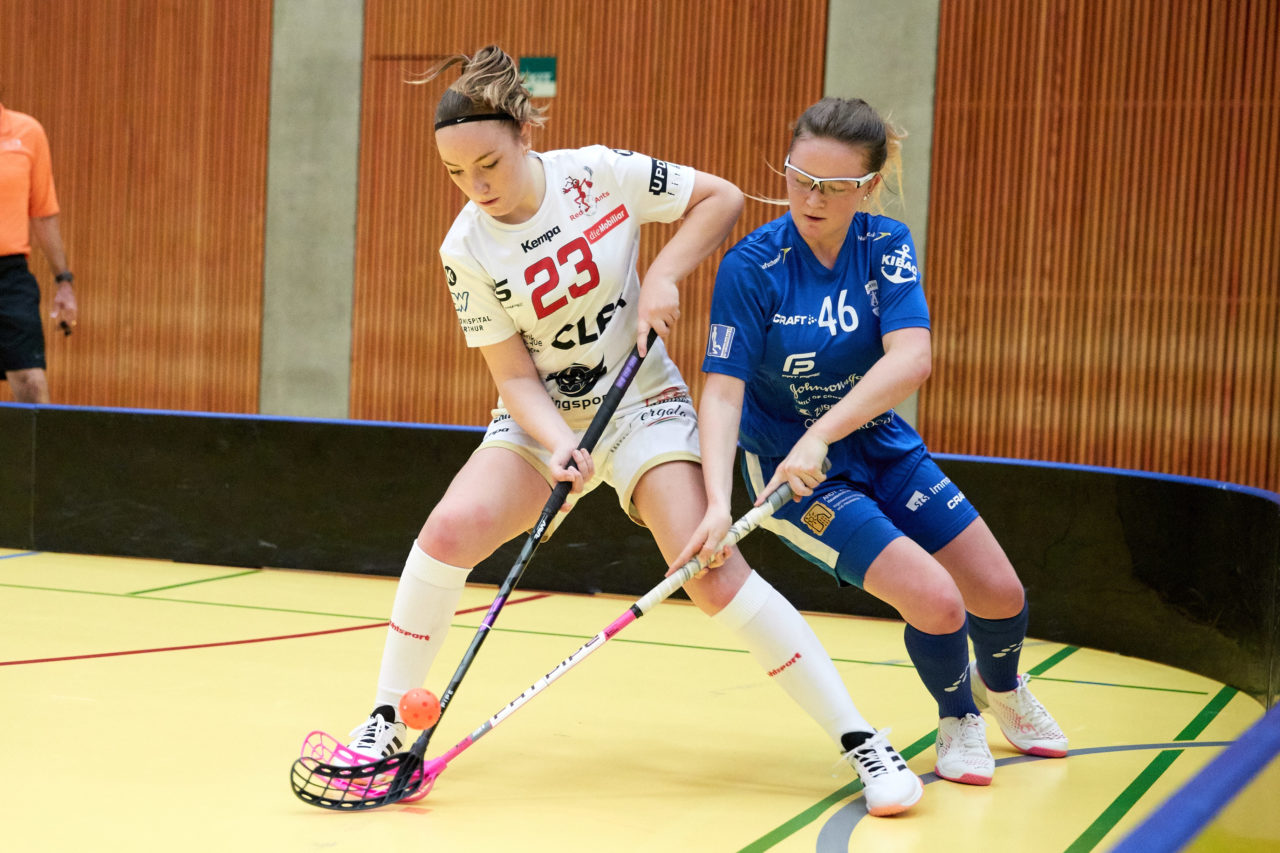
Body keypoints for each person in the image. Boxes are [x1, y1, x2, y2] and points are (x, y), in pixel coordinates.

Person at [339, 47, 921, 816]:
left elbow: (718, 198)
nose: (476, 186)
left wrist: (665, 274)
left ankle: (861, 739)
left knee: (709, 571)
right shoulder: (465, 248)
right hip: (542, 421)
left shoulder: (596, 174)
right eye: (456, 173)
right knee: (448, 529)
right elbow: (514, 377)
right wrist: (556, 442)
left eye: (489, 164)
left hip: (642, 402)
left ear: (524, 134)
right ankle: (385, 719)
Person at [677, 97, 1068, 787]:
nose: (811, 198)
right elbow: (723, 391)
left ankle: (1003, 689)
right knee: (938, 600)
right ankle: (958, 716)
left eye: (834, 186)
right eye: (800, 178)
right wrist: (715, 502)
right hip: (797, 477)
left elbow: (911, 359)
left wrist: (822, 432)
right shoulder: (752, 267)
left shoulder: (885, 244)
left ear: (869, 185)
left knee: (1000, 593)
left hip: (879, 444)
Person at [0, 101, 77, 403]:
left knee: (31, 382)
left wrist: (64, 280)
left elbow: (43, 215)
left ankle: (39, 439)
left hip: (9, 277)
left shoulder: (27, 132)